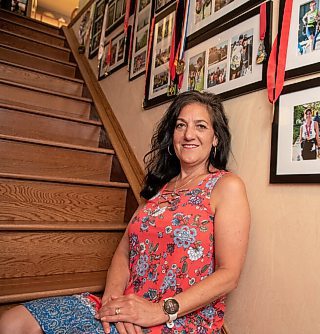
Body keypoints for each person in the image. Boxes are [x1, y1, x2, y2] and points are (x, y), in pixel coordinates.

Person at [0, 91, 251, 334]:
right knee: (11, 323)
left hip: (178, 317)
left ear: (216, 138)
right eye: (180, 125)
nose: (188, 135)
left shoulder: (226, 186)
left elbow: (228, 275)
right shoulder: (159, 188)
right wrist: (112, 299)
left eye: (201, 126)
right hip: (127, 302)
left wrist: (160, 311)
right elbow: (124, 250)